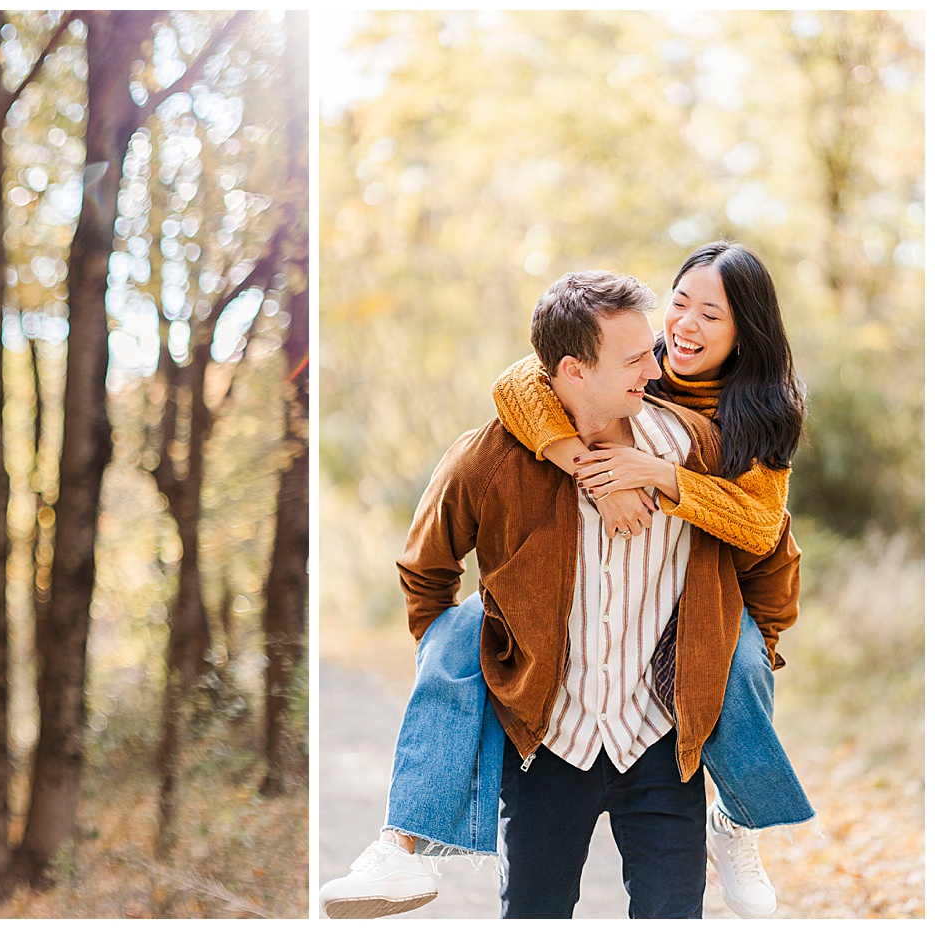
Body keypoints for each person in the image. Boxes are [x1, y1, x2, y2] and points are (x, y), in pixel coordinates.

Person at [323, 244, 813, 919]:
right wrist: (584, 465)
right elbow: (523, 381)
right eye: (679, 304)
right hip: (553, 738)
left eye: (711, 314)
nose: (680, 331)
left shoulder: (730, 435)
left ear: (745, 333)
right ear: (579, 372)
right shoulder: (512, 441)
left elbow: (766, 536)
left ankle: (739, 815)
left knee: (744, 647)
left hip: (659, 735)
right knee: (464, 628)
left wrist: (655, 476)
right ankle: (400, 842)